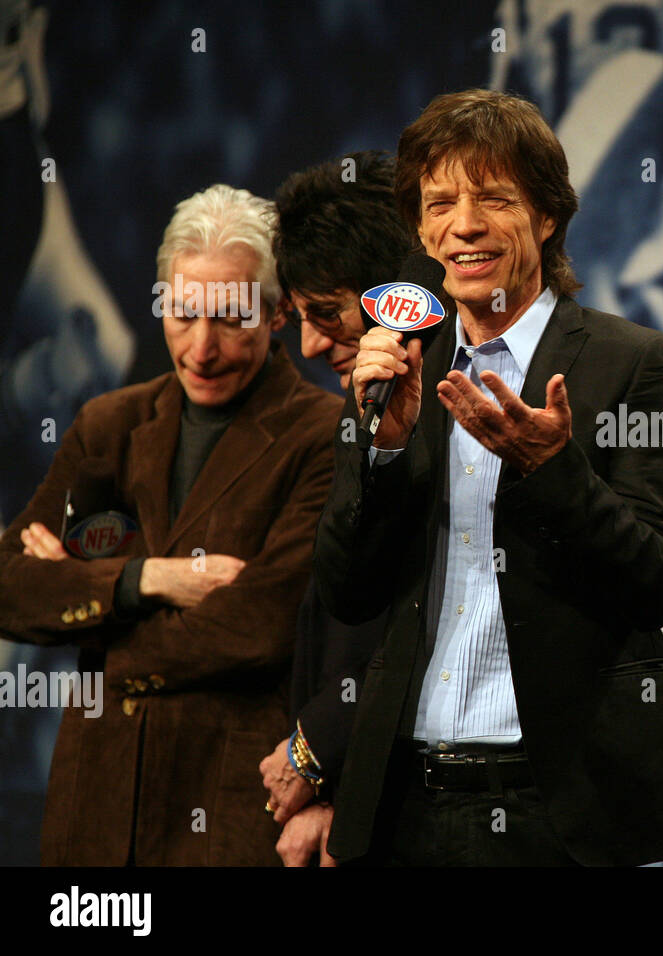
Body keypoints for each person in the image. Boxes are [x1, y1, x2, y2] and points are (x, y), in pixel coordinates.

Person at [283, 88, 663, 865]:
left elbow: (662, 578)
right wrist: (381, 448)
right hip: (405, 805)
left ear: (547, 218)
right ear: (418, 228)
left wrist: (552, 470)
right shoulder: (401, 367)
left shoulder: (638, 365)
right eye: (439, 202)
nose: (465, 225)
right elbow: (348, 590)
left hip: (557, 809)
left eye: (493, 199)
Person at [0, 184, 341, 865]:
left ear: (276, 313)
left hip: (228, 816)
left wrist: (85, 614)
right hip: (92, 816)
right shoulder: (109, 424)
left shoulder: (326, 437)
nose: (201, 348)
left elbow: (257, 628)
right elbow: (9, 588)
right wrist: (148, 580)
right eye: (183, 315)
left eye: (227, 320)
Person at [257, 150, 411, 866]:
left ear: (392, 292)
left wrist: (319, 752)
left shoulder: (469, 405)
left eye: (328, 314)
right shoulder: (358, 409)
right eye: (301, 317)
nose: (312, 344)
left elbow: (420, 620)